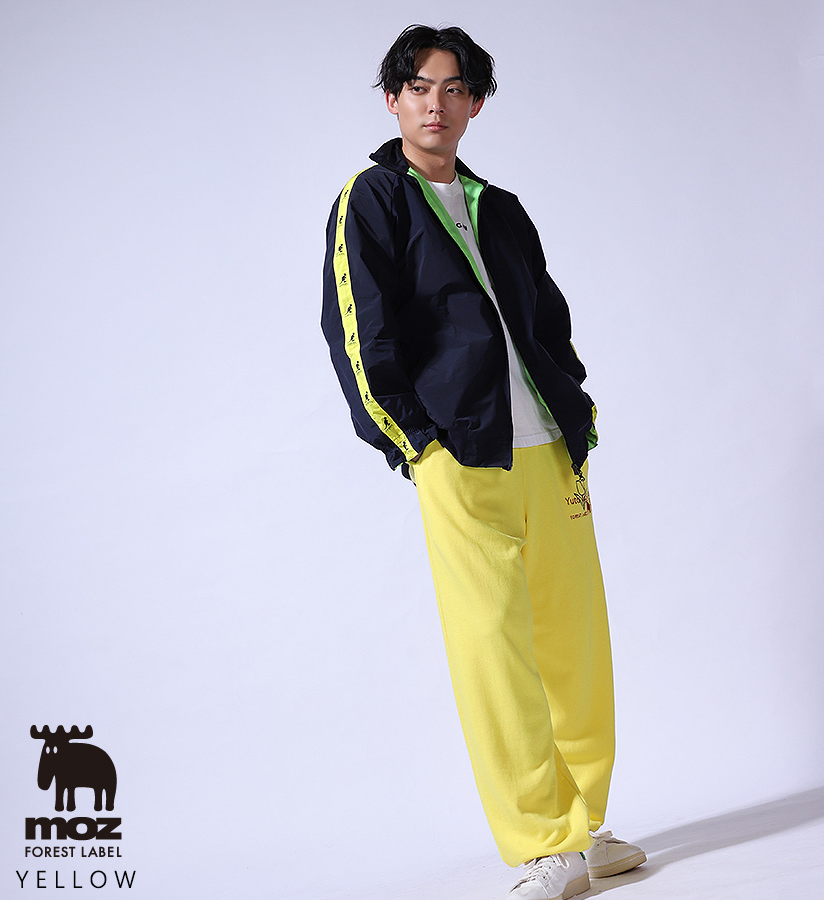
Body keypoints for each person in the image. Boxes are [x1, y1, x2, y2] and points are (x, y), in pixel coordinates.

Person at [321, 24, 646, 900]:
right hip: (461, 457)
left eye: (455, 88)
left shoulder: (499, 206)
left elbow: (548, 321)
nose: (437, 103)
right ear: (393, 99)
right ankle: (541, 841)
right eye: (420, 87)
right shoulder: (371, 200)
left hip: (548, 451)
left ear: (474, 104)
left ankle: (583, 826)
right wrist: (418, 447)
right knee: (495, 653)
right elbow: (359, 335)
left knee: (575, 647)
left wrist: (576, 415)